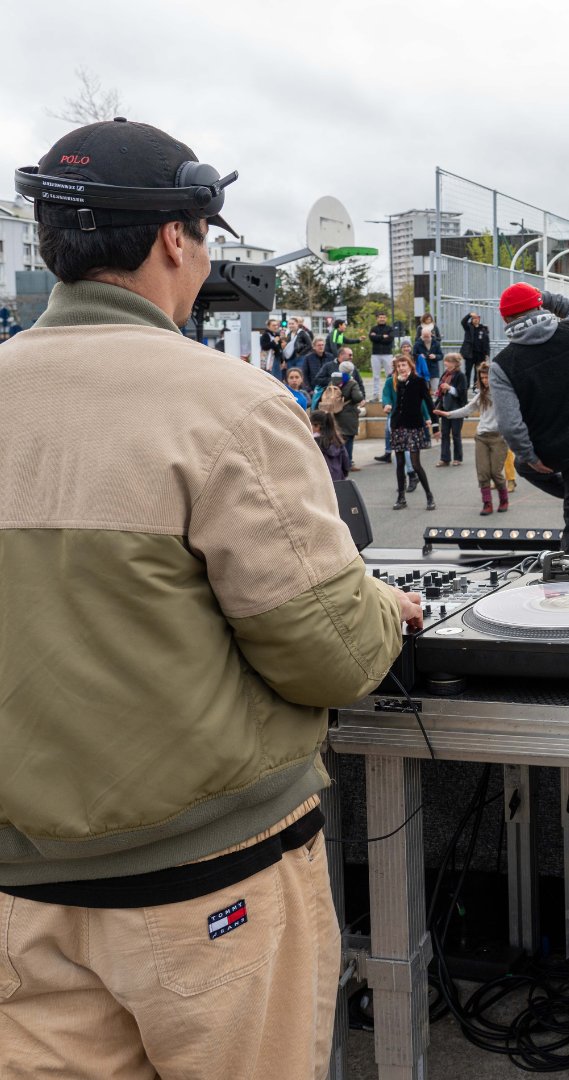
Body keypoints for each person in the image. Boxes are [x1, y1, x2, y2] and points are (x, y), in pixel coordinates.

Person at [0, 117, 418, 1080]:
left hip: (23, 894)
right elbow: (331, 656)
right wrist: (372, 606)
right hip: (205, 889)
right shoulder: (228, 403)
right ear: (175, 239)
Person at [489, 283, 569, 561]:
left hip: (550, 451)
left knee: (524, 466)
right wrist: (545, 297)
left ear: (506, 319)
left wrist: (529, 455)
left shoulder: (503, 364)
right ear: (540, 305)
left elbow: (509, 423)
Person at [435, 360, 510, 516]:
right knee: (483, 472)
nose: (484, 381)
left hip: (499, 437)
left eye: (487, 377)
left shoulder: (504, 393)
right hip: (482, 436)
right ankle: (487, 503)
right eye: (482, 378)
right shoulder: (481, 395)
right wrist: (448, 414)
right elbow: (467, 409)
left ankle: (504, 499)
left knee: (495, 472)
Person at [385, 354, 437, 510]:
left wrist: (435, 425)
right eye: (399, 366)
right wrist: (387, 404)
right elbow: (391, 398)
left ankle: (429, 496)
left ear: (410, 366)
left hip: (413, 426)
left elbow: (428, 402)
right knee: (399, 463)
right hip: (397, 425)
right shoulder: (394, 382)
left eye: (404, 365)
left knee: (415, 464)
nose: (401, 368)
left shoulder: (419, 381)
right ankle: (401, 497)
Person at [434, 352, 468, 466]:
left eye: (448, 361)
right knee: (444, 434)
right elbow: (441, 390)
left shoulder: (460, 375)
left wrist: (450, 388)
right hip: (445, 408)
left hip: (457, 409)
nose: (445, 363)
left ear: (454, 363)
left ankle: (458, 458)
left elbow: (462, 393)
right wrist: (438, 392)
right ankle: (445, 458)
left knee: (456, 434)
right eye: (445, 361)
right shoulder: (445, 374)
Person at [335, 351, 366, 472]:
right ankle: (348, 463)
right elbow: (357, 397)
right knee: (348, 440)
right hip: (348, 414)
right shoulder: (352, 382)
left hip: (336, 413)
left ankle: (338, 462)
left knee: (338, 439)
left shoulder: (334, 380)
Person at [310, 408, 351, 480]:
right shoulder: (337, 440)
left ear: (317, 426)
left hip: (321, 481)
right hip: (338, 478)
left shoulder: (312, 443)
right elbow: (346, 462)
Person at [368, 313, 395, 411]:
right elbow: (372, 338)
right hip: (375, 355)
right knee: (376, 376)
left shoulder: (390, 328)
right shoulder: (373, 328)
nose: (382, 319)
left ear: (386, 318)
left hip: (387, 354)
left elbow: (390, 339)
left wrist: (378, 337)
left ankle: (391, 394)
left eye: (383, 317)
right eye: (380, 317)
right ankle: (375, 396)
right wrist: (383, 336)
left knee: (390, 375)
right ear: (377, 319)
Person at [459, 311, 490, 390]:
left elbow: (486, 342)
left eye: (477, 318)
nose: (476, 320)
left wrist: (487, 354)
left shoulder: (483, 329)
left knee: (478, 372)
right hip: (470, 354)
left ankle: (476, 387)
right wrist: (469, 315)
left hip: (480, 354)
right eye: (474, 318)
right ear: (472, 319)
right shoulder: (468, 327)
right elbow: (463, 322)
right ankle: (466, 386)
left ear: (479, 319)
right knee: (468, 371)